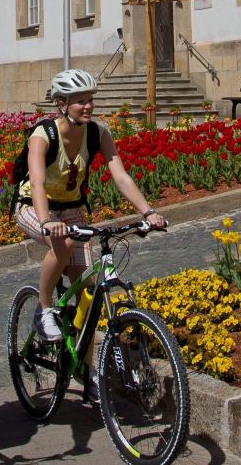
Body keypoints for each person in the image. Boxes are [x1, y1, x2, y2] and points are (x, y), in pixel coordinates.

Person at [13, 68, 166, 402]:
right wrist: (44, 221)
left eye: (89, 100)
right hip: (32, 206)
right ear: (61, 104)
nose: (87, 106)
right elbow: (37, 181)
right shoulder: (43, 135)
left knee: (88, 295)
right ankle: (43, 309)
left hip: (71, 210)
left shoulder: (98, 132)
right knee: (64, 242)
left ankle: (88, 372)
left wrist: (148, 211)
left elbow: (120, 175)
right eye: (79, 101)